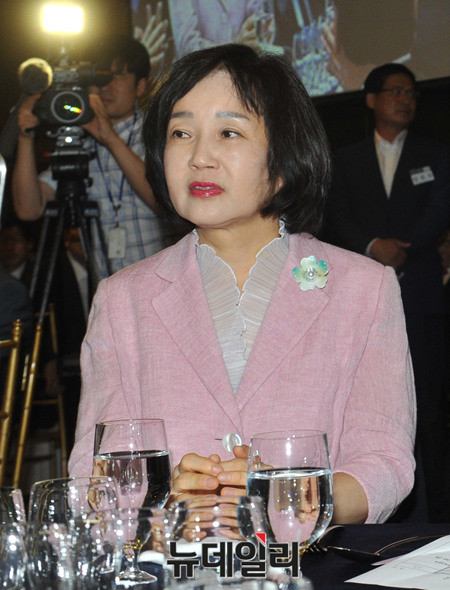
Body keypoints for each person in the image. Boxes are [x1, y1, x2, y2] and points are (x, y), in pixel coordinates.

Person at [68, 44, 416, 525]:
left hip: (309, 561)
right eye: (181, 133)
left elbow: (385, 464)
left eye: (228, 132)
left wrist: (295, 497)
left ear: (285, 157)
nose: (199, 157)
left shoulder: (364, 289)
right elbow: (91, 478)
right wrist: (159, 509)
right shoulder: (122, 299)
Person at [322, 63, 450, 521]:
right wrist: (373, 246)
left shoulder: (435, 154)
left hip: (421, 293)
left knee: (430, 408)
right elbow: (336, 213)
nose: (405, 99)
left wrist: (404, 246)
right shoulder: (345, 158)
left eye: (411, 92)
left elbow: (441, 208)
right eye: (395, 91)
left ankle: (438, 514)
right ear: (371, 99)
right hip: (362, 293)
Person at [11, 35, 168, 279]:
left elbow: (163, 201)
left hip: (158, 283)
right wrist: (25, 136)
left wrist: (110, 139)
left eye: (117, 76)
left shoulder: (158, 134)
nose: (105, 86)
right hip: (105, 288)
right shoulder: (79, 140)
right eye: (98, 77)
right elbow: (28, 209)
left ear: (140, 87)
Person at [168, 0, 270, 58]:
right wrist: (235, 46)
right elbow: (186, 47)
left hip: (241, 75)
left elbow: (260, 20)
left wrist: (257, 31)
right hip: (196, 79)